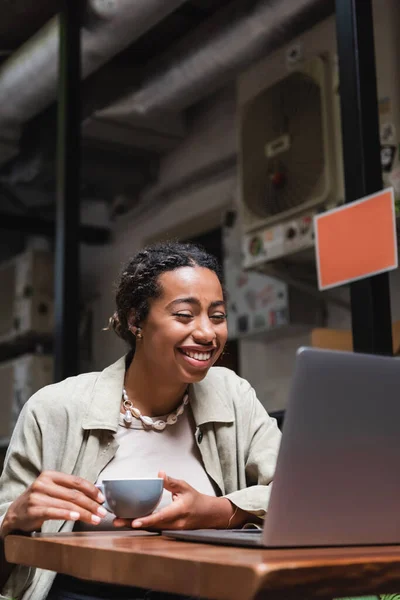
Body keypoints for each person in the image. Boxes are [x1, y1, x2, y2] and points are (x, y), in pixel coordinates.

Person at [0, 241, 281, 600]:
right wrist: (12, 520)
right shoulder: (55, 408)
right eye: (184, 315)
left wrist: (219, 511)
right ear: (136, 320)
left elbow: (294, 496)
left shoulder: (233, 394)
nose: (208, 333)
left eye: (217, 315)